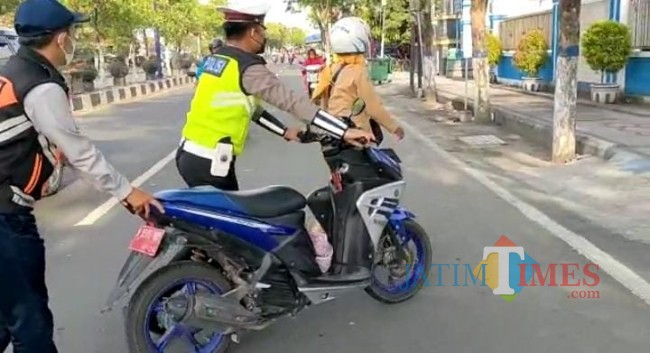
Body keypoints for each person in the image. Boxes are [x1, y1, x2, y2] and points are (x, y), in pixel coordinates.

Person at [0, 0, 162, 352]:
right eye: (72, 33)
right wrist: (127, 192)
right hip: (5, 220)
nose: (73, 41)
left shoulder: (13, 72)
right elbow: (78, 151)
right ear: (60, 39)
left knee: (5, 316)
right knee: (31, 325)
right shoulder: (41, 86)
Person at [176, 0, 374, 191]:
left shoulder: (217, 59)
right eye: (263, 29)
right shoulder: (246, 67)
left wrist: (284, 131)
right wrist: (344, 131)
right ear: (253, 32)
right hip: (210, 163)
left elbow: (252, 110)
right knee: (233, 221)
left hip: (191, 155)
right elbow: (292, 103)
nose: (264, 35)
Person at [312, 17, 405, 142]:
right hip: (354, 134)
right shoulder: (358, 72)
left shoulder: (329, 69)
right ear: (359, 39)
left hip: (332, 134)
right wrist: (395, 128)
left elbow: (324, 104)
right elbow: (373, 106)